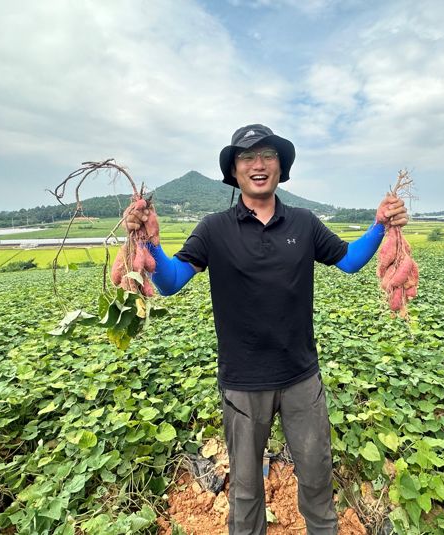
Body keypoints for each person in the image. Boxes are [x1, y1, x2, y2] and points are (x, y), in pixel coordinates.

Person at [127, 124, 408, 535]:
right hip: (242, 384)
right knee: (245, 493)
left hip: (301, 379)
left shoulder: (304, 223)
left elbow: (348, 261)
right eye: (246, 157)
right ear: (234, 171)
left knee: (316, 481)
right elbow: (169, 282)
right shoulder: (213, 229)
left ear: (281, 167)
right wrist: (147, 240)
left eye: (267, 156)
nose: (258, 165)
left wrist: (381, 225)